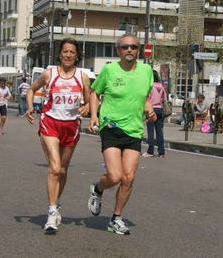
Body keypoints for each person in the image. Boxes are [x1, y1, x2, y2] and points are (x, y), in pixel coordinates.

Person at [87, 34, 157, 235]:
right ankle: (97, 189)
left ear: (138, 50)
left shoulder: (146, 72)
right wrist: (94, 115)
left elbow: (144, 98)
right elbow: (94, 93)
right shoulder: (109, 70)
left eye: (133, 47)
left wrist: (149, 110)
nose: (129, 50)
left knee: (128, 178)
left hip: (134, 130)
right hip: (111, 127)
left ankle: (115, 219)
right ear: (118, 50)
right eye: (125, 46)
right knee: (115, 176)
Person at [25, 37, 91, 232]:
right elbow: (31, 89)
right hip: (50, 122)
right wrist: (30, 106)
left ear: (77, 55)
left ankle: (57, 201)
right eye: (65, 51)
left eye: (72, 52)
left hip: (71, 126)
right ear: (59, 54)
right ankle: (52, 213)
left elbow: (89, 100)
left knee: (62, 170)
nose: (68, 55)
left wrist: (87, 107)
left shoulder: (82, 77)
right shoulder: (49, 74)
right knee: (54, 168)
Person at [142, 70, 166, 158]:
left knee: (150, 131)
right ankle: (161, 152)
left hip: (151, 109)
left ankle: (150, 151)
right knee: (159, 131)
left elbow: (146, 98)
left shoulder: (149, 86)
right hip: (159, 109)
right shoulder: (161, 86)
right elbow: (164, 99)